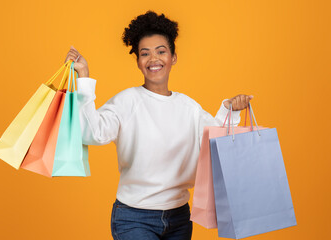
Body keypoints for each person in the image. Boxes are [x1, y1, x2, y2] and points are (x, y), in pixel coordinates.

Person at [64, 11, 252, 240]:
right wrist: (83, 77)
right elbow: (92, 133)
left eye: (161, 51)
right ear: (138, 62)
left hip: (180, 217)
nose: (154, 59)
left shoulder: (188, 107)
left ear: (173, 57)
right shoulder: (127, 101)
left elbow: (215, 141)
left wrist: (230, 110)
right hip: (134, 217)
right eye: (145, 53)